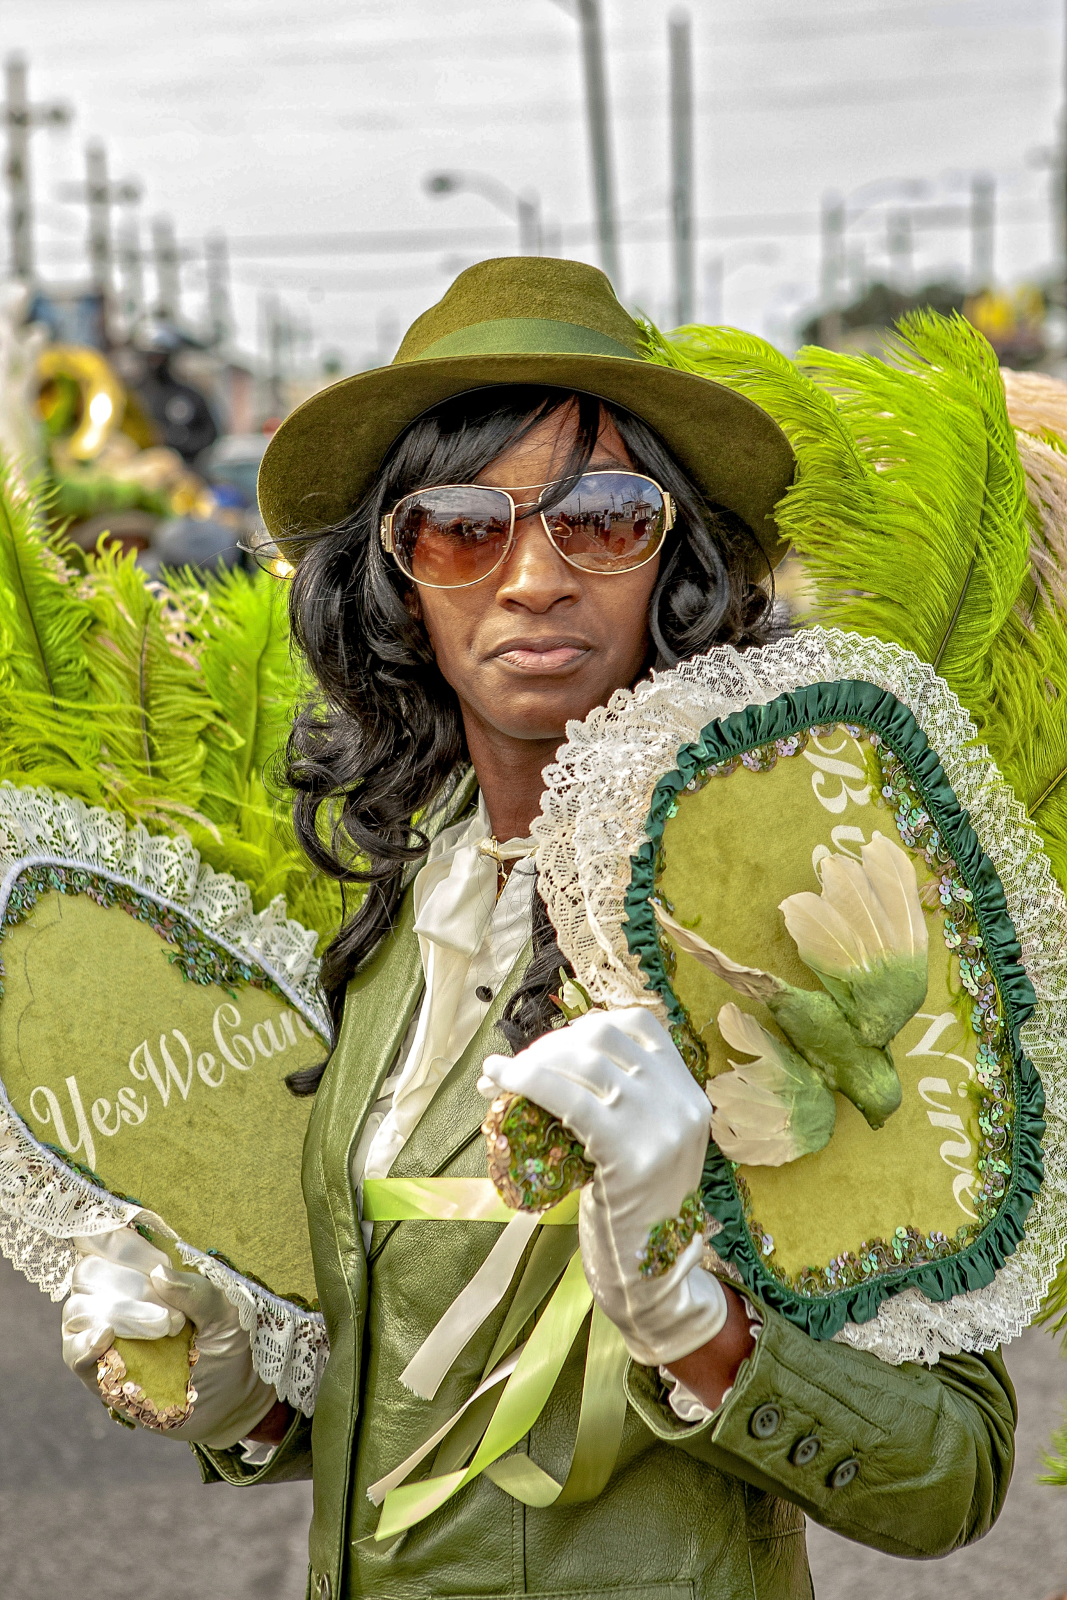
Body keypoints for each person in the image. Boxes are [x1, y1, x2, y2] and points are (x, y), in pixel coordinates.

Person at [62, 258, 1016, 1600]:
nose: (532, 579)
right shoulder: (398, 901)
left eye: (605, 517)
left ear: (674, 561)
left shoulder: (802, 922)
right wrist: (245, 1396)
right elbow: (414, 1393)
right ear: (394, 579)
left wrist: (699, 1325)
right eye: (461, 526)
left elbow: (952, 1474)